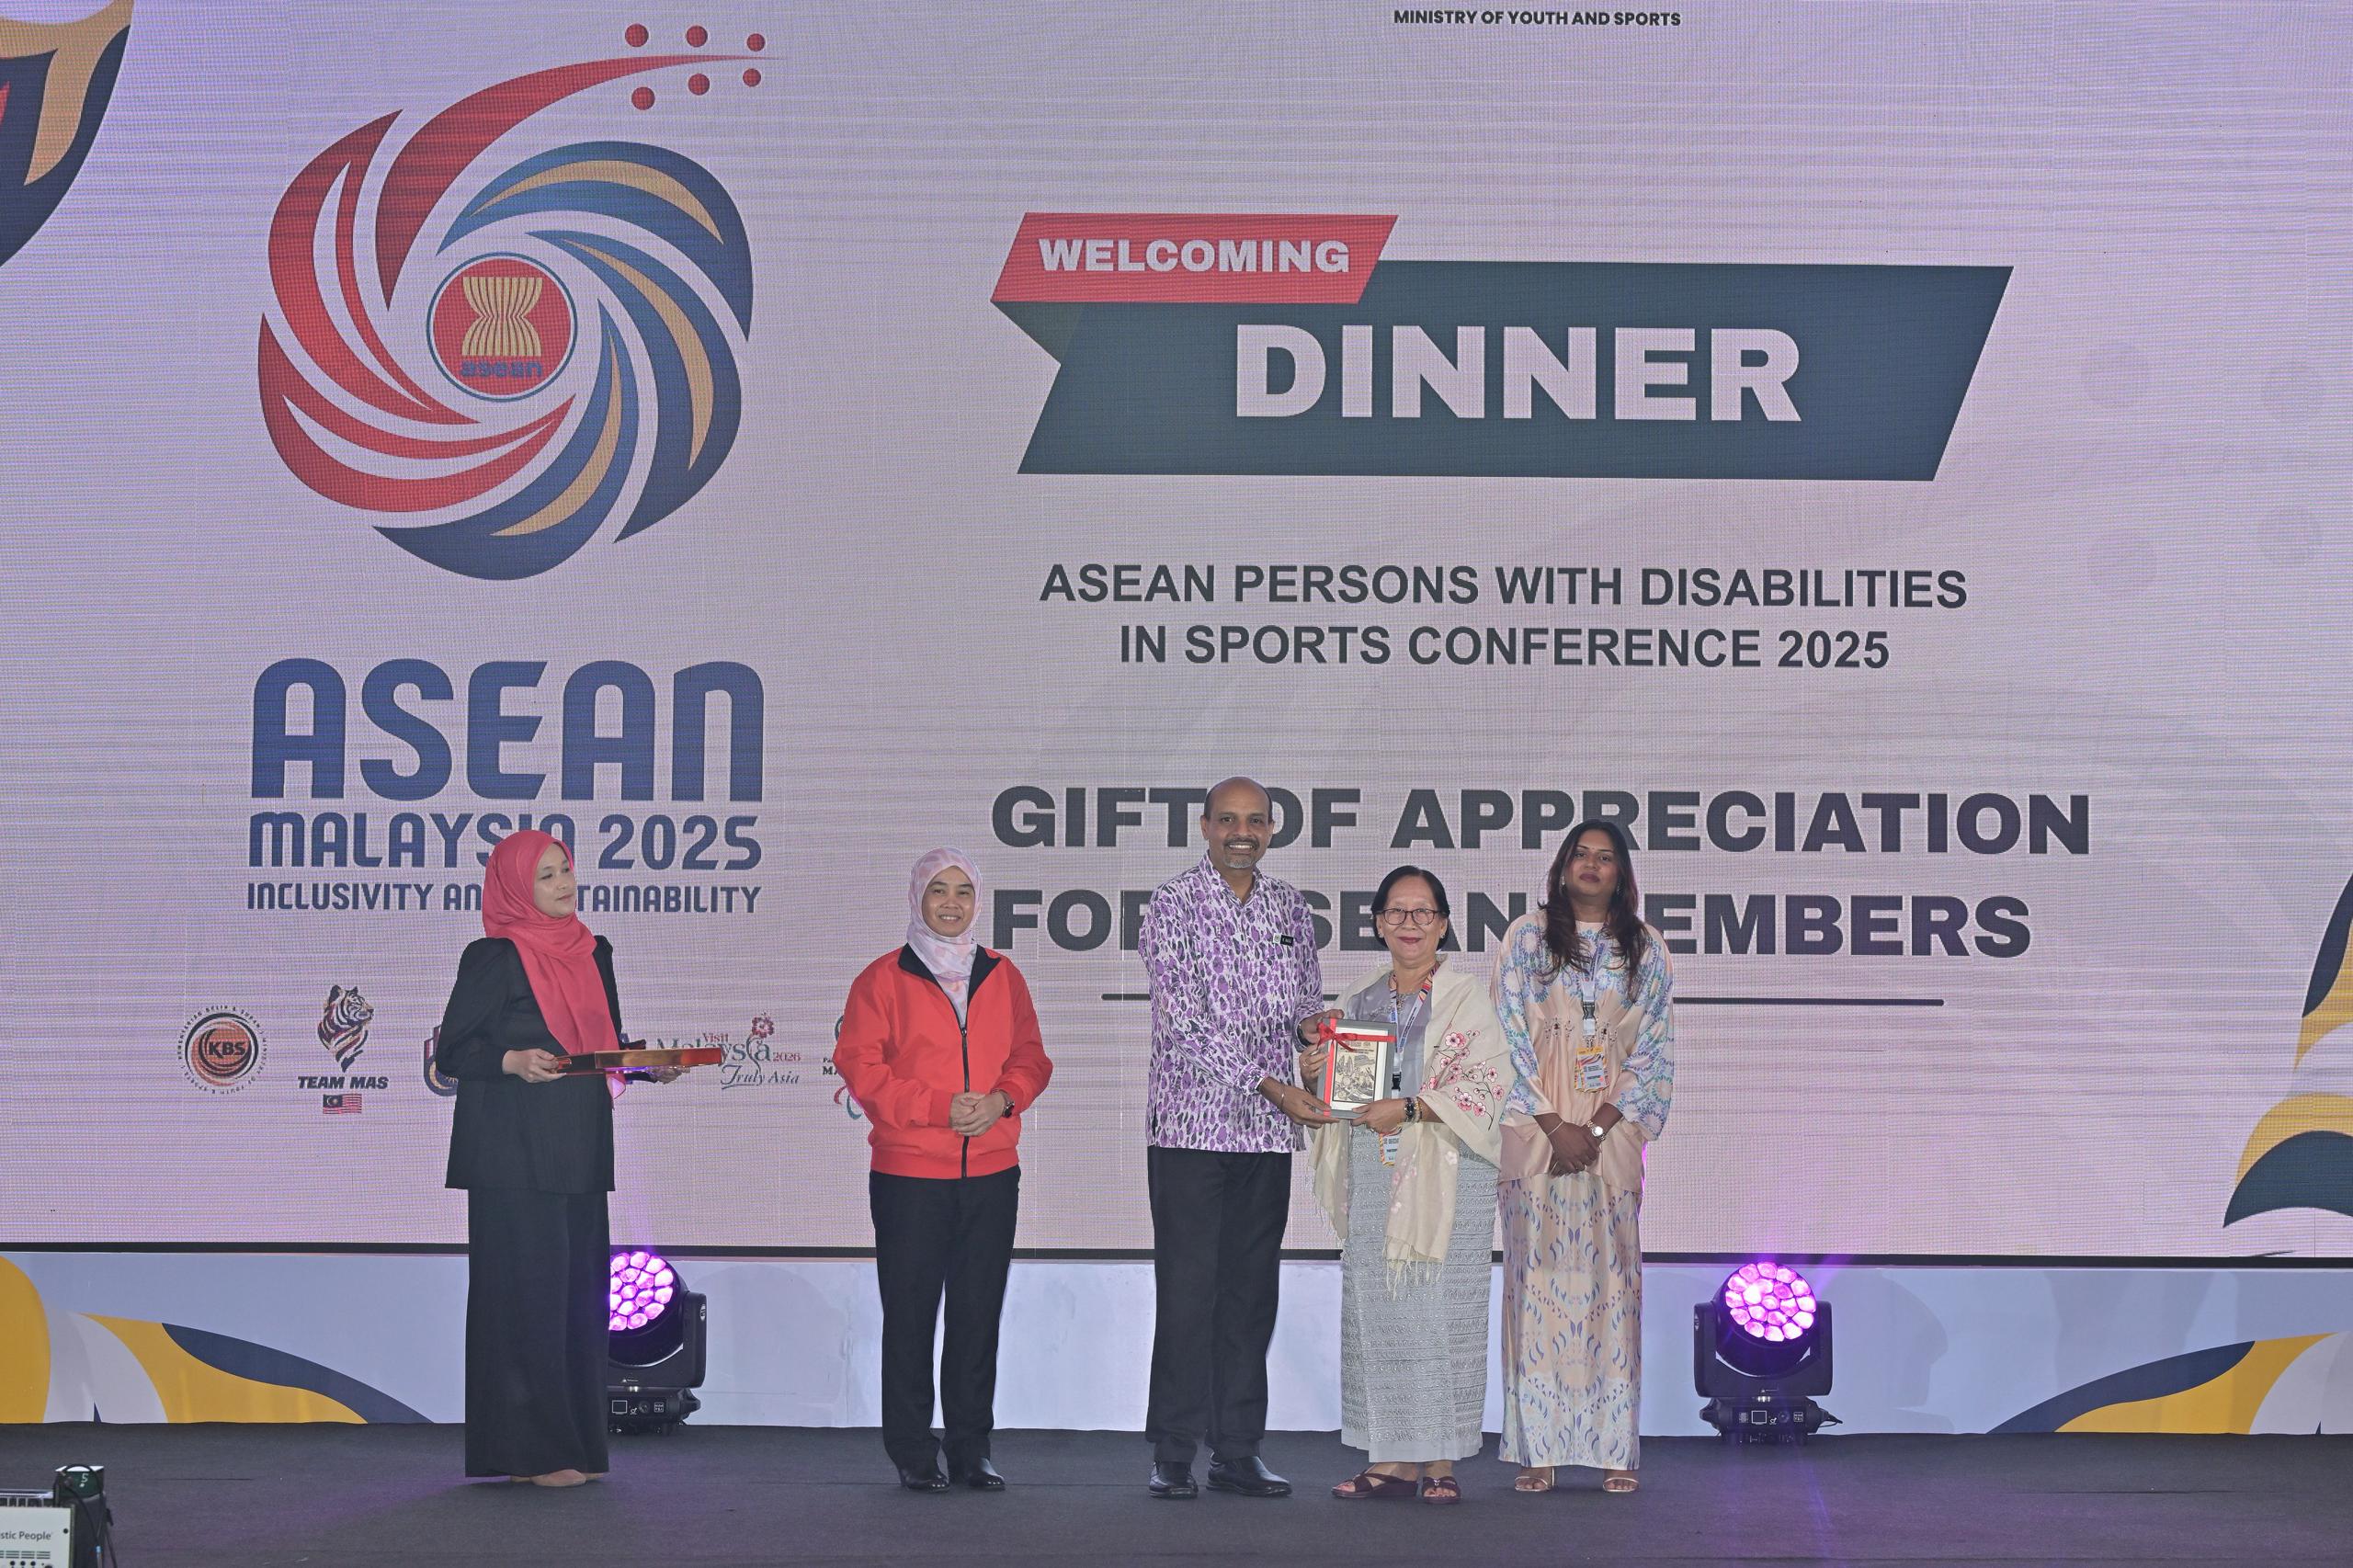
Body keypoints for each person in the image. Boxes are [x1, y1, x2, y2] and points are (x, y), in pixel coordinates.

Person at [434, 830, 689, 1487]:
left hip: (579, 1148)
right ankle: (533, 1455)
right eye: (545, 875)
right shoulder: (493, 956)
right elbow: (452, 1053)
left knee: (578, 1305)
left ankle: (575, 1446)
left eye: (566, 869)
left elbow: (599, 1046)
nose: (563, 884)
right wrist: (511, 1061)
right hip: (512, 1157)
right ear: (516, 887)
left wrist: (646, 1064)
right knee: (527, 1303)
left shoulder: (593, 951)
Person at [1139, 777, 1335, 1501]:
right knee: (1188, 1294)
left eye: (1254, 821)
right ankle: (1173, 1452)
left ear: (1273, 828)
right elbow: (1183, 1025)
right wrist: (1272, 1084)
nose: (1241, 832)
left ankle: (1238, 1451)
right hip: (1191, 1129)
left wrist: (1320, 1043)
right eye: (1228, 820)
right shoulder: (1171, 904)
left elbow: (1306, 1008)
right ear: (1204, 826)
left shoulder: (1290, 907)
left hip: (1265, 1138)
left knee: (1251, 1296)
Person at [835, 849, 1053, 1493]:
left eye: (963, 891)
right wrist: (937, 1107)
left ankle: (970, 1449)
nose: (951, 903)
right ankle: (911, 1450)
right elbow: (861, 1068)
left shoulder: (1004, 975)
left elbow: (1032, 1058)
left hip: (992, 1175)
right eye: (938, 890)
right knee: (909, 1317)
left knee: (976, 1316)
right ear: (917, 897)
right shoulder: (880, 979)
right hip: (909, 1177)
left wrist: (1002, 1100)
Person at [1305, 866, 1512, 1505]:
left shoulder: (1465, 997)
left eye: (1424, 913)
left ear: (1443, 924)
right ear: (1378, 923)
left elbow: (1488, 1084)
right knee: (1383, 1313)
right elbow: (1341, 1090)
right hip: (1376, 1167)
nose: (1410, 924)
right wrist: (1316, 1068)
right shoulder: (1358, 998)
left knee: (1442, 1315)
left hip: (1448, 1172)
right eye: (1396, 912)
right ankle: (1390, 1457)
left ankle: (1441, 1459)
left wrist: (1414, 1108)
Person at [1491, 821, 1677, 1495]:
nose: (1592, 865)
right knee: (1534, 1286)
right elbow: (1506, 1037)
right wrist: (1553, 1125)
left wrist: (1594, 1129)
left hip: (1611, 1135)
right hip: (1536, 1132)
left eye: (1605, 857)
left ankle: (1613, 1449)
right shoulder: (1526, 938)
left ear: (1622, 873)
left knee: (1612, 1289)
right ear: (1562, 867)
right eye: (1581, 855)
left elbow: (1654, 1049)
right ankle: (1536, 1448)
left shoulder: (1646, 948)